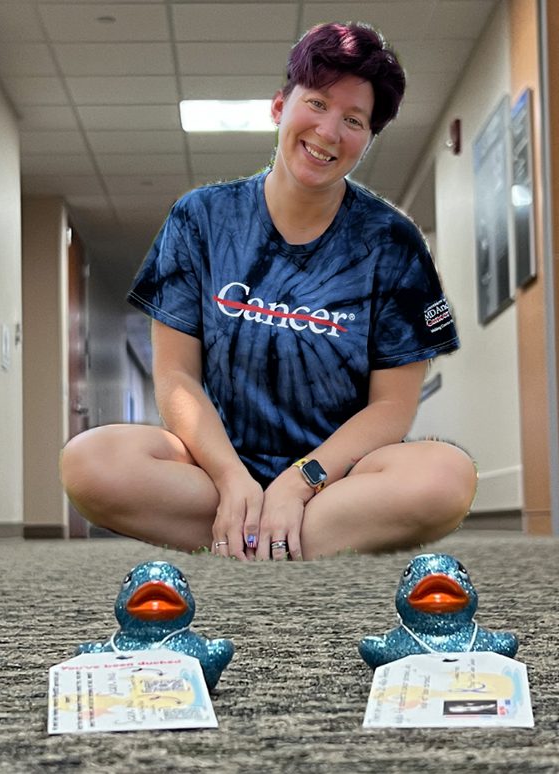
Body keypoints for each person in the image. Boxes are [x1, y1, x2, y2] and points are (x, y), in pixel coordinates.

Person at [60, 22, 476, 561]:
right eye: (317, 103)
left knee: (447, 476)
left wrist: (301, 481)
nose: (328, 132)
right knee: (88, 462)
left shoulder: (393, 242)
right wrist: (233, 478)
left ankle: (249, 539)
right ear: (280, 106)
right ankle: (270, 532)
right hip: (214, 470)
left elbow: (392, 409)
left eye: (353, 120)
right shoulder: (200, 219)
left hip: (336, 479)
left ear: (368, 139)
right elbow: (176, 377)